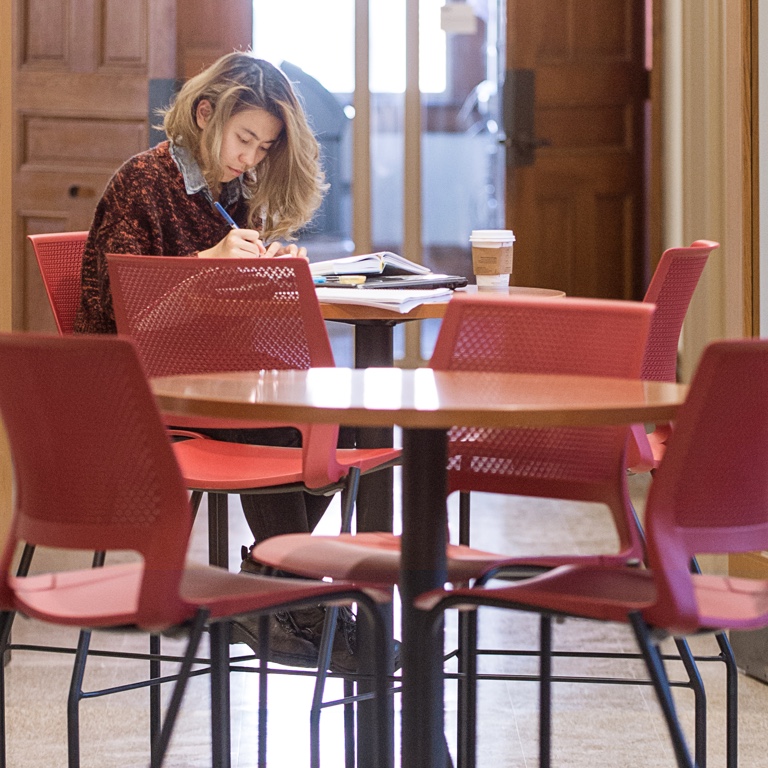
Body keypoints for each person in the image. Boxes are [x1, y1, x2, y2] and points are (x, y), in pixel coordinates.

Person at [73, 51, 358, 673]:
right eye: (245, 138)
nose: (251, 158)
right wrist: (210, 265)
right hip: (136, 388)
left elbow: (225, 318)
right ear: (206, 114)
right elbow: (124, 321)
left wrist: (268, 275)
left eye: (265, 147)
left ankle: (268, 581)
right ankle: (292, 600)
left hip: (209, 377)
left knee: (357, 421)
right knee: (281, 427)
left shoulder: (232, 192)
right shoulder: (142, 182)